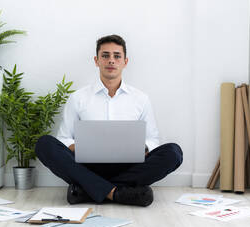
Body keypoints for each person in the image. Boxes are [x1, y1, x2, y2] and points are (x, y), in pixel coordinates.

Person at [35, 34, 183, 207]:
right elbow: (63, 139)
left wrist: (142, 148)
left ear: (125, 62)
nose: (111, 60)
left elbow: (153, 140)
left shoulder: (141, 99)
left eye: (116, 56)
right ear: (96, 61)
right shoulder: (78, 98)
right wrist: (81, 147)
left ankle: (88, 190)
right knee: (45, 144)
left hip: (129, 167)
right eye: (105, 56)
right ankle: (120, 192)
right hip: (88, 165)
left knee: (174, 152)